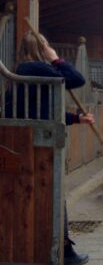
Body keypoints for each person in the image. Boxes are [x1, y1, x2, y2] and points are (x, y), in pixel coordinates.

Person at [8, 31, 93, 264]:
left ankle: (55, 247)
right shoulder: (38, 68)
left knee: (47, 195)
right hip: (38, 144)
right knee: (54, 195)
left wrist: (76, 119)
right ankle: (62, 249)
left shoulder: (22, 70)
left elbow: (44, 109)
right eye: (45, 46)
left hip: (29, 139)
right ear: (41, 48)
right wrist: (56, 58)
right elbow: (77, 79)